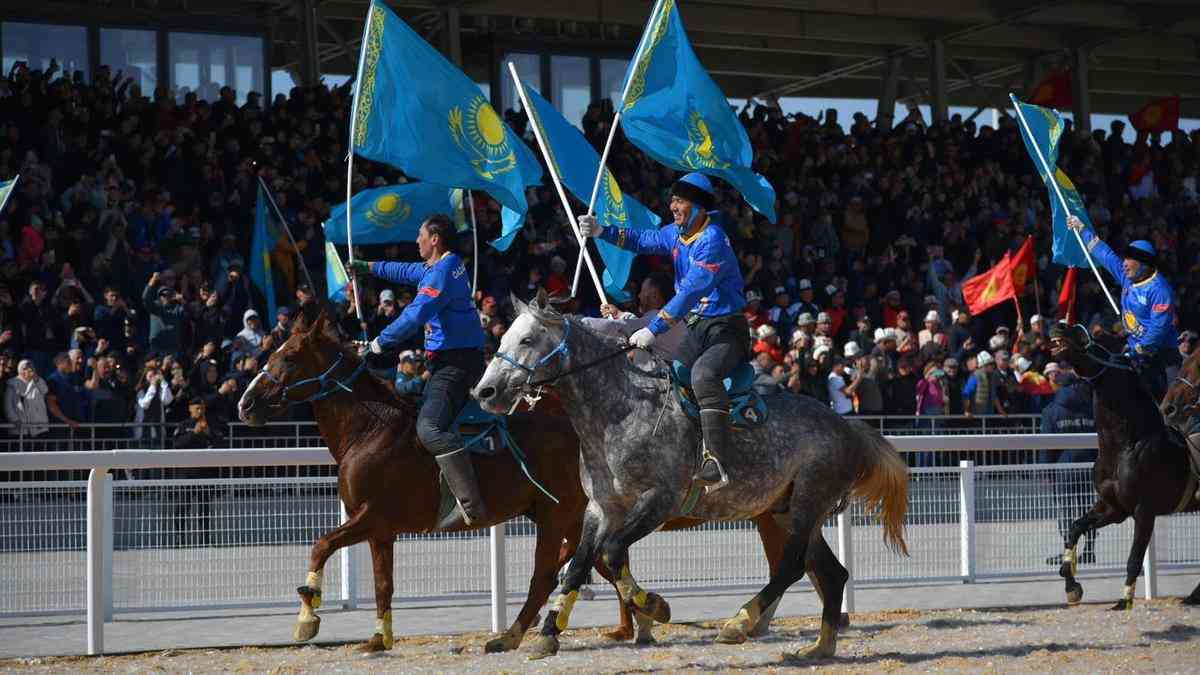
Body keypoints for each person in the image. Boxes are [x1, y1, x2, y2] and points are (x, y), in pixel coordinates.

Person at [578, 173, 749, 490]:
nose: (673, 206)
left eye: (680, 200)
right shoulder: (676, 234)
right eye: (672, 200)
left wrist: (653, 330)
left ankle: (718, 461)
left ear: (699, 207)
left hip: (726, 329)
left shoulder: (712, 240)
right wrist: (602, 231)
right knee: (664, 374)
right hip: (696, 329)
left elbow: (689, 294)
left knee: (703, 376)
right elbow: (642, 240)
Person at [349, 214, 489, 525]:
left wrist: (376, 345)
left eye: (420, 235)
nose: (416, 241)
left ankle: (469, 504)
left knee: (429, 429)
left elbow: (414, 316)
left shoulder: (440, 275)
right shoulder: (442, 266)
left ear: (435, 240)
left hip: (456, 364)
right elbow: (405, 270)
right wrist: (367, 267)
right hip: (449, 360)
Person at [1067, 215, 1180, 401]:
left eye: (1130, 260)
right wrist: (1081, 229)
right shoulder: (1127, 276)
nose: (1124, 264)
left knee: (1173, 402)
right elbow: (1105, 255)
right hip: (1134, 352)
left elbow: (1158, 329)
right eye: (1125, 259)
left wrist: (1139, 350)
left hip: (1162, 355)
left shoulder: (1160, 290)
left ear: (1144, 264)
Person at [1039, 369, 1098, 565]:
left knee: (1065, 510)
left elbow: (1047, 445)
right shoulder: (1090, 407)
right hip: (1090, 466)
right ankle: (1090, 549)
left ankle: (1068, 552)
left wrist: (1046, 471)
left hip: (1064, 467)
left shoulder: (1051, 410)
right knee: (1087, 510)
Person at [580, 271, 686, 371]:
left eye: (642, 292)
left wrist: (579, 323)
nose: (639, 296)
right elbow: (639, 324)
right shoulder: (673, 317)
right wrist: (619, 314)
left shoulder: (657, 318)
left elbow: (619, 327)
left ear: (655, 298)